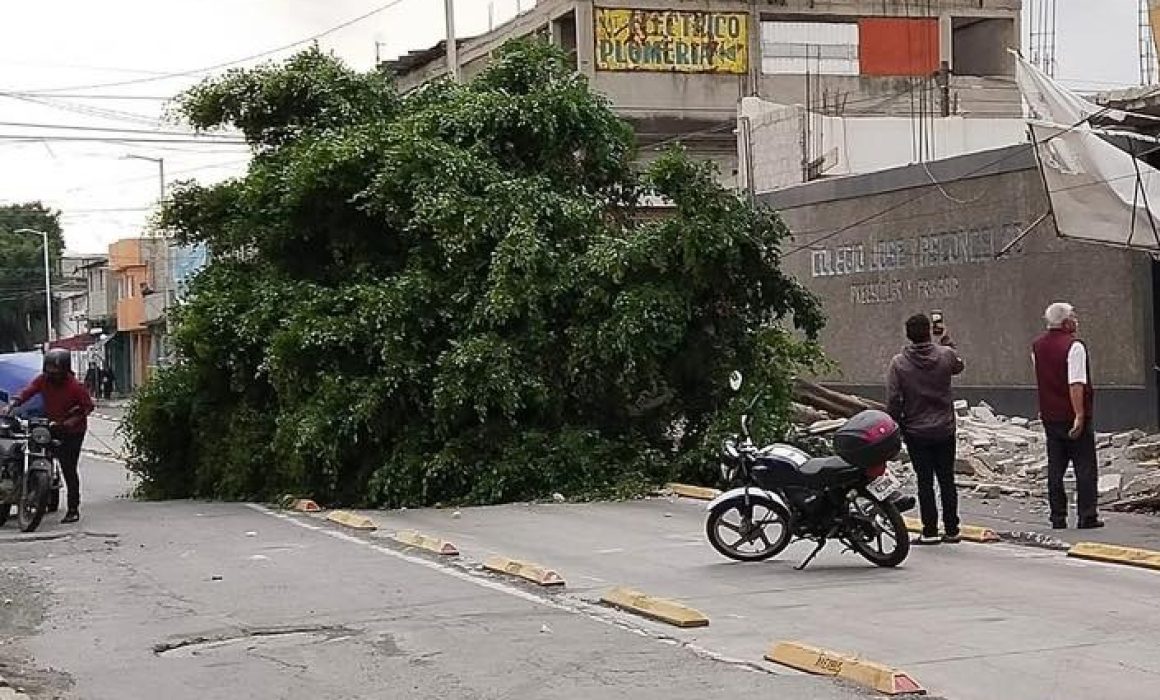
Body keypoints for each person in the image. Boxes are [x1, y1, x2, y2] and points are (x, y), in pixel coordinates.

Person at [886, 313, 965, 545]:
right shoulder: (945, 355)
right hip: (944, 428)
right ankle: (952, 529)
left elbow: (893, 398)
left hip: (916, 430)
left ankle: (930, 530)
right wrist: (947, 340)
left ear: (908, 335)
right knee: (947, 479)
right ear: (929, 331)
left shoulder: (899, 363)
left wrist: (896, 424)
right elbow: (958, 366)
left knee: (924, 481)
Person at [1032, 302, 1103, 530]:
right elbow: (1076, 383)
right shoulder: (1074, 347)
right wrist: (1079, 415)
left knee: (1056, 467)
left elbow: (1043, 378)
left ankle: (1057, 516)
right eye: (1074, 315)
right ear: (1066, 322)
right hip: (1070, 413)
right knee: (1084, 466)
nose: (1077, 319)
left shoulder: (1037, 346)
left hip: (1050, 414)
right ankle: (1087, 515)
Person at [7, 349, 94, 524]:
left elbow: (88, 407)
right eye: (49, 369)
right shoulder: (43, 380)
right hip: (51, 425)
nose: (52, 373)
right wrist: (14, 403)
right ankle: (36, 487)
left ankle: (73, 509)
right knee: (31, 448)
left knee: (68, 468)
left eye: (56, 370)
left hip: (72, 431)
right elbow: (29, 390)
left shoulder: (75, 386)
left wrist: (70, 422)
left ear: (65, 369)